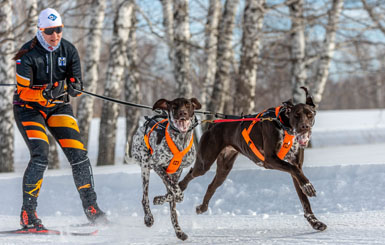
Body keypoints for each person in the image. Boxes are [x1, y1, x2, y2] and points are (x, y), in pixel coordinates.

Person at [12, 8, 108, 229]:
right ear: (40, 30)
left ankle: (92, 209)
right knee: (40, 155)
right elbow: (23, 91)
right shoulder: (26, 53)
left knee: (79, 155)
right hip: (29, 109)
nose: (55, 36)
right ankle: (28, 214)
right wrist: (45, 93)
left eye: (59, 30)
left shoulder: (69, 50)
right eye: (49, 31)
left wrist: (75, 88)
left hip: (58, 108)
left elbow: (77, 85)